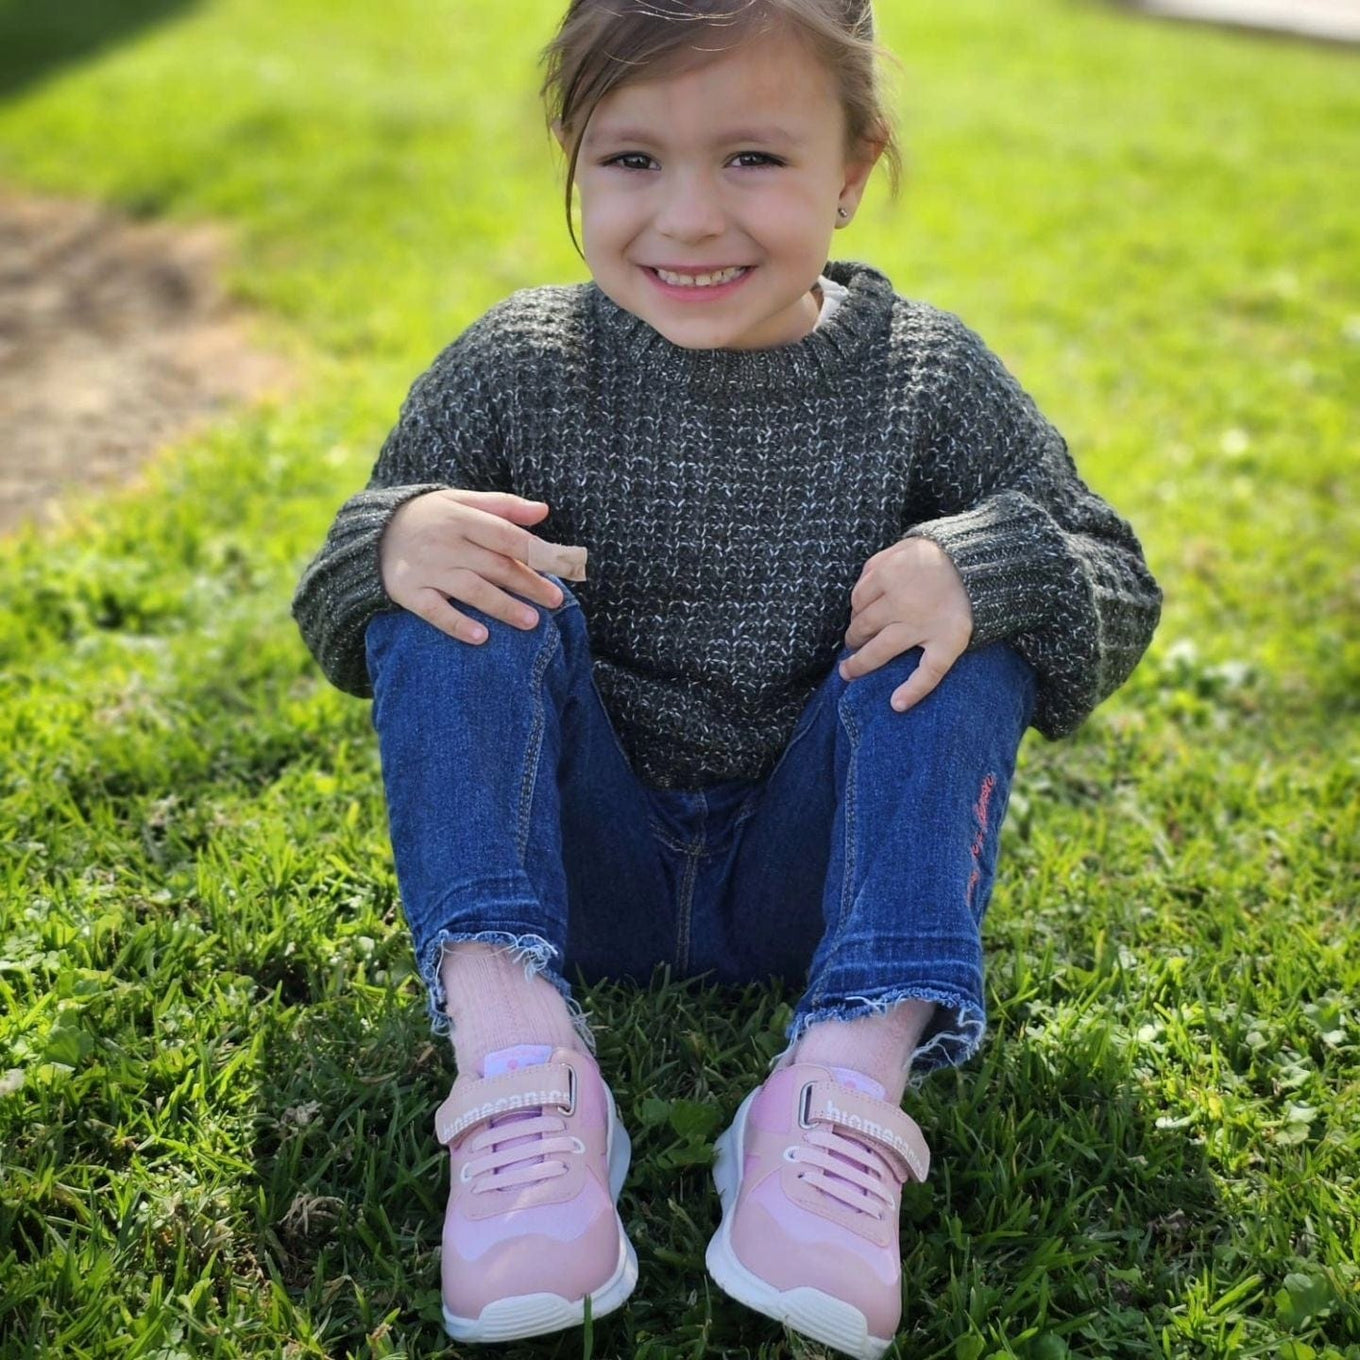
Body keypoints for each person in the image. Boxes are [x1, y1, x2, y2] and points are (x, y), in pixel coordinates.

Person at [290, 1, 1163, 1355]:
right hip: (578, 876)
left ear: (853, 169)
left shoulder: (925, 380)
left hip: (816, 885)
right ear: (574, 161)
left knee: (975, 598)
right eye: (631, 161)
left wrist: (985, 564)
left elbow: (1112, 581)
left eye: (753, 159)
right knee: (454, 575)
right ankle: (519, 1067)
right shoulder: (520, 364)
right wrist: (393, 544)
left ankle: (844, 1088)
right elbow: (341, 601)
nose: (688, 218)